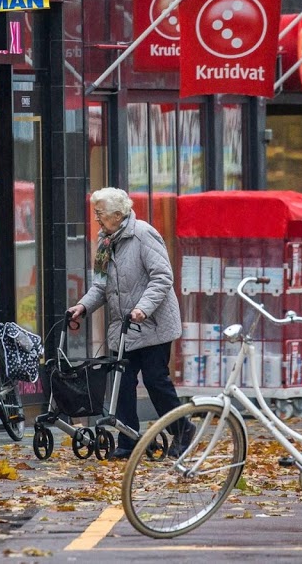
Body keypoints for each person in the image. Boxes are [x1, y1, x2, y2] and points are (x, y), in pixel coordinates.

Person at [68, 187, 189, 459]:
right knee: (121, 383)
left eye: (100, 214)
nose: (97, 219)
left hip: (153, 324)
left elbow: (162, 278)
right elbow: (100, 285)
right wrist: (83, 306)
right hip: (124, 328)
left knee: (156, 381)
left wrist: (142, 309)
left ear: (118, 214)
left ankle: (183, 429)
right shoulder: (105, 242)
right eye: (96, 213)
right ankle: (128, 440)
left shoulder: (144, 234)